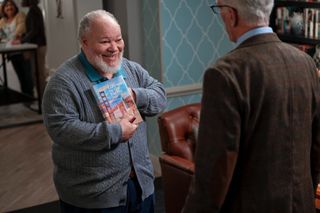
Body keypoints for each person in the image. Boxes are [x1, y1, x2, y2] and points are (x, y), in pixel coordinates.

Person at [182, 0, 320, 213]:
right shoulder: (306, 63)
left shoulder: (224, 73)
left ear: (231, 15)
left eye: (219, 10)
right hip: (303, 203)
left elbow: (215, 170)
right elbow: (316, 143)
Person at [42, 10, 167, 213]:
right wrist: (114, 132)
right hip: (94, 197)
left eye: (118, 39)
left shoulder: (130, 69)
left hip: (142, 186)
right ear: (84, 42)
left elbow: (160, 96)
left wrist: (136, 96)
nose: (114, 48)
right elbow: (61, 130)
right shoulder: (63, 82)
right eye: (105, 41)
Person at [0, 0, 33, 96]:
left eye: (11, 5)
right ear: (3, 9)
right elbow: (2, 36)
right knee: (20, 77)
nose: (9, 7)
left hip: (22, 52)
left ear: (15, 7)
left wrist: (8, 38)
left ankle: (30, 98)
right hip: (11, 53)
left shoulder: (20, 15)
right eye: (6, 6)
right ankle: (26, 99)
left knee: (27, 77)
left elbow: (20, 31)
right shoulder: (2, 21)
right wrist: (7, 39)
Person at [16, 0, 47, 99]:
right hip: (38, 45)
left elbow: (34, 30)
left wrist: (22, 41)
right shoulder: (34, 9)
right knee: (38, 74)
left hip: (38, 46)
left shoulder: (34, 10)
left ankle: (43, 99)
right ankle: (42, 98)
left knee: (38, 75)